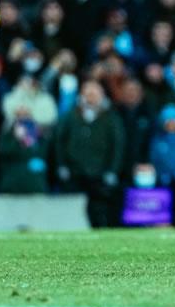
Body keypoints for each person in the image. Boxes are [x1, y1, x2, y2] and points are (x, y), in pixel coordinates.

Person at [54, 80, 126, 228]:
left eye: (95, 93)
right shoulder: (71, 116)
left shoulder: (110, 118)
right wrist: (61, 165)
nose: (91, 97)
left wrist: (112, 170)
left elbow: (118, 146)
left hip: (100, 172)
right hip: (75, 171)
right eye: (88, 93)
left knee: (99, 208)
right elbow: (59, 141)